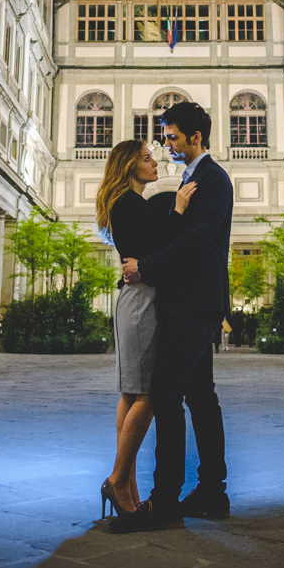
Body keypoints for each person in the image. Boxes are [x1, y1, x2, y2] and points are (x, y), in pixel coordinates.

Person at [112, 100, 233, 533]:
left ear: (195, 138)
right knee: (200, 395)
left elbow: (197, 241)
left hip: (195, 304)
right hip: (187, 302)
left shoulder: (212, 179)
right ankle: (211, 492)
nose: (166, 143)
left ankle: (165, 498)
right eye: (164, 136)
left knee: (165, 393)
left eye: (172, 136)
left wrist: (146, 268)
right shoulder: (191, 178)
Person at [96, 139, 197, 517]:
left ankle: (127, 487)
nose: (154, 162)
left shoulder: (126, 202)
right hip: (140, 299)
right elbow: (161, 244)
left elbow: (148, 250)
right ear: (128, 165)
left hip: (136, 296)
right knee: (149, 393)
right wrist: (180, 209)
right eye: (146, 158)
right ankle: (119, 480)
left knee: (131, 392)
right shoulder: (128, 203)